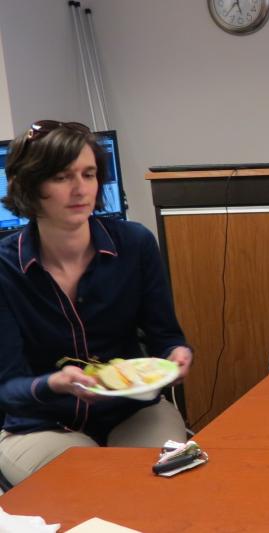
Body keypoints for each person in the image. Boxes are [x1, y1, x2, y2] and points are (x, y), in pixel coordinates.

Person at [0, 120, 192, 485]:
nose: (80, 189)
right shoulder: (5, 267)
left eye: (89, 174)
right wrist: (53, 383)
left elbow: (165, 337)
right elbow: (7, 388)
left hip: (131, 410)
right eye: (61, 177)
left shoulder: (134, 244)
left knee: (152, 485)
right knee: (94, 487)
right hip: (39, 422)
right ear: (30, 183)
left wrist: (176, 355)